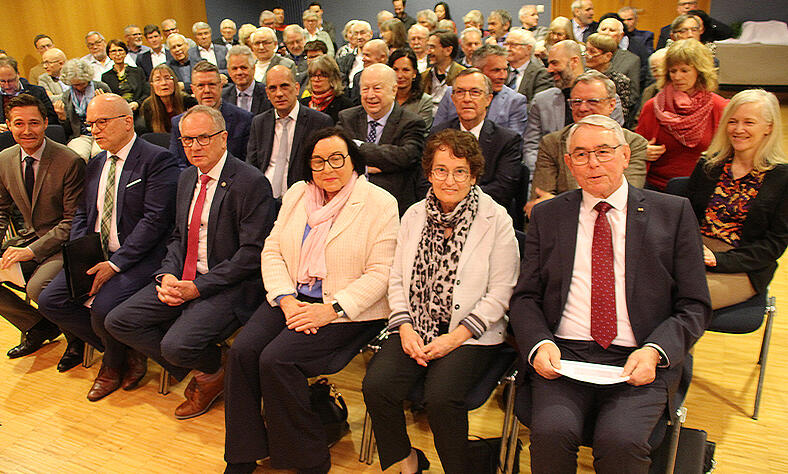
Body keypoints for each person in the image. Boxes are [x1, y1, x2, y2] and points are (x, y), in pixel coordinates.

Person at [510, 113, 711, 473]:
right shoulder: (549, 216)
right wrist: (539, 343)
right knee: (552, 433)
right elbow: (525, 297)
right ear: (569, 164)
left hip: (639, 355)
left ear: (625, 156)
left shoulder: (673, 213)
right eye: (582, 155)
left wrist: (655, 350)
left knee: (621, 441)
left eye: (603, 151)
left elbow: (694, 304)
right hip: (566, 355)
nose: (593, 163)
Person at [224, 127, 399, 473]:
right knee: (242, 352)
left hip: (348, 309)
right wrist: (286, 299)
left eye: (337, 159)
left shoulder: (380, 203)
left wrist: (329, 311)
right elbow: (272, 249)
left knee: (277, 360)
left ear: (353, 161)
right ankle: (244, 453)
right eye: (318, 161)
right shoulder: (297, 195)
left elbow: (381, 274)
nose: (328, 169)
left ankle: (307, 458)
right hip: (292, 296)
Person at [363, 128, 519, 474]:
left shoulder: (496, 220)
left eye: (460, 171)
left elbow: (500, 293)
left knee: (441, 398)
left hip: (470, 333)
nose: (450, 180)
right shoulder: (414, 214)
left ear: (474, 174)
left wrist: (454, 338)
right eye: (441, 170)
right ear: (428, 173)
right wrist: (404, 327)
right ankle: (408, 462)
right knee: (377, 386)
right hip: (415, 325)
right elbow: (397, 279)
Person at [106, 105, 276, 419]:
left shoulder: (250, 182)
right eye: (186, 140)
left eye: (202, 138)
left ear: (223, 138)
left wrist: (196, 288)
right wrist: (167, 276)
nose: (194, 147)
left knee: (175, 346)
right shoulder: (186, 178)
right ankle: (210, 370)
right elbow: (176, 237)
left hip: (229, 285)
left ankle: (209, 373)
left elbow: (251, 256)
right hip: (184, 276)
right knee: (119, 321)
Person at [38, 94, 178, 402]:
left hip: (139, 257)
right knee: (51, 300)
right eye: (91, 124)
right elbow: (84, 213)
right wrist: (79, 252)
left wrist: (116, 264)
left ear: (127, 121)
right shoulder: (96, 162)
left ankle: (112, 365)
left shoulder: (156, 160)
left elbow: (155, 222)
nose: (95, 131)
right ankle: (127, 352)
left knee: (103, 308)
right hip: (97, 253)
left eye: (102, 122)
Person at [0, 94, 85, 369]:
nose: (27, 131)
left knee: (38, 286)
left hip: (61, 245)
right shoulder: (3, 160)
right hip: (26, 239)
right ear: (8, 125)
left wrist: (30, 251)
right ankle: (39, 326)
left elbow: (72, 222)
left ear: (45, 123)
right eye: (19, 124)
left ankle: (77, 339)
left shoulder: (68, 161)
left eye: (34, 123)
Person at [684, 89, 788, 310]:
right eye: (733, 121)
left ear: (768, 127)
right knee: (644, 286)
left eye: (749, 122)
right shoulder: (709, 165)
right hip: (694, 252)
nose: (738, 130)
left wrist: (718, 260)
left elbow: (772, 246)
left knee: (684, 299)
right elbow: (684, 216)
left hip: (744, 265)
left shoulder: (782, 178)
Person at [527, 71, 647, 216]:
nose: (582, 108)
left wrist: (559, 204)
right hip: (566, 228)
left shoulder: (634, 143)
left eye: (593, 101)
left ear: (612, 104)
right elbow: (540, 201)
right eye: (576, 102)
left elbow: (628, 199)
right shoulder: (552, 143)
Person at [636, 39, 728, 191]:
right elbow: (636, 149)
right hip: (658, 188)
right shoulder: (653, 107)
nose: (677, 77)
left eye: (684, 70)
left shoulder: (719, 107)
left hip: (702, 188)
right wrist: (642, 152)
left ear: (700, 72)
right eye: (673, 71)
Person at [524, 40, 624, 176]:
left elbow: (614, 142)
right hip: (550, 176)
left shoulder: (607, 98)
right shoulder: (541, 101)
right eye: (576, 102)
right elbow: (531, 147)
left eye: (554, 63)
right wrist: (545, 173)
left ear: (574, 61)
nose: (549, 70)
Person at [430, 69, 524, 213]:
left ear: (488, 99)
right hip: (441, 212)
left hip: (488, 214)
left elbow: (503, 189)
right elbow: (424, 180)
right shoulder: (437, 135)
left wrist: (456, 199)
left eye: (475, 92)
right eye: (460, 92)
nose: (467, 99)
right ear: (453, 99)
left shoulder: (507, 140)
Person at [338, 64, 426, 215]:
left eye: (377, 88)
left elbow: (406, 156)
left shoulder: (411, 122)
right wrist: (367, 166)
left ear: (393, 90)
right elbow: (337, 156)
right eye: (365, 89)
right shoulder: (347, 118)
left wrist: (358, 148)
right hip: (348, 204)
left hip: (392, 206)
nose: (370, 95)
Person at [247, 65, 333, 199]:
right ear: (267, 94)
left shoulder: (319, 122)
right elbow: (251, 165)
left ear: (297, 88)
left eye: (284, 86)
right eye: (273, 88)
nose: (279, 93)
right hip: (263, 196)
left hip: (303, 198)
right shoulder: (259, 122)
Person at [169, 61, 253, 166]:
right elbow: (176, 163)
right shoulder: (178, 122)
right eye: (201, 86)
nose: (207, 90)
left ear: (221, 86)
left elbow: (247, 163)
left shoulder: (244, 119)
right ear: (193, 89)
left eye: (212, 84)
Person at [434, 44, 528, 136]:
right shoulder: (451, 93)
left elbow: (513, 142)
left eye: (505, 70)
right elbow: (437, 133)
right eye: (496, 70)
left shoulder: (515, 101)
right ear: (477, 70)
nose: (503, 76)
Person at [0, 56, 57, 141]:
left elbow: (51, 119)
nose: (7, 85)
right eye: (2, 81)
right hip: (3, 142)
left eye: (11, 80)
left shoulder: (37, 92)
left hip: (34, 138)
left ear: (18, 74)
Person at [55, 59, 111, 159]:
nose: (79, 87)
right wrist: (62, 118)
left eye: (82, 84)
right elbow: (68, 130)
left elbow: (115, 114)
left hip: (103, 132)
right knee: (77, 156)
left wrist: (105, 105)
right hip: (81, 135)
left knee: (99, 154)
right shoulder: (67, 96)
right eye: (75, 85)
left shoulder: (101, 87)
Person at [585, 34, 637, 115]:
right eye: (586, 50)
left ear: (608, 56)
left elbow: (622, 114)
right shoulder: (582, 78)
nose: (586, 55)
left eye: (592, 51)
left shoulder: (619, 81)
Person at [137, 64, 197, 134]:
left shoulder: (188, 101)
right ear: (152, 85)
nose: (164, 83)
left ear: (174, 82)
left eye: (167, 78)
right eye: (158, 79)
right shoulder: (148, 106)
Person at [419, 29, 465, 114]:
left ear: (448, 50)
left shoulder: (463, 75)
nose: (428, 52)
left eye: (432, 47)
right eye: (428, 47)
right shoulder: (424, 76)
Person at [300, 54, 353, 124]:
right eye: (313, 75)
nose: (316, 79)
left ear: (333, 78)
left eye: (322, 75)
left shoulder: (345, 106)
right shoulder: (302, 104)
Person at [388, 48, 434, 131]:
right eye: (395, 70)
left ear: (414, 73)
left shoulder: (424, 101)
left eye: (406, 70)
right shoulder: (383, 98)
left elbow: (420, 132)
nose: (400, 75)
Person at [221, 45, 272, 116]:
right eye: (234, 69)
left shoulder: (268, 94)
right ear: (229, 71)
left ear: (253, 68)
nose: (239, 72)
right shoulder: (223, 97)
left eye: (243, 68)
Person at [504, 28, 552, 102]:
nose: (508, 48)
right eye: (506, 44)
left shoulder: (541, 74)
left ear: (529, 48)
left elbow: (537, 105)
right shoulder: (501, 70)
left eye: (513, 45)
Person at [102, 40, 149, 113]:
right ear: (109, 55)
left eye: (120, 50)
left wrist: (137, 103)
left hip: (138, 109)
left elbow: (146, 92)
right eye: (113, 51)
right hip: (117, 111)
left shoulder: (138, 71)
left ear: (125, 53)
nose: (117, 54)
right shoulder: (106, 77)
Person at [336, 21, 373, 86]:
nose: (359, 37)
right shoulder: (345, 60)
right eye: (356, 34)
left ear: (371, 34)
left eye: (362, 33)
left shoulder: (376, 57)